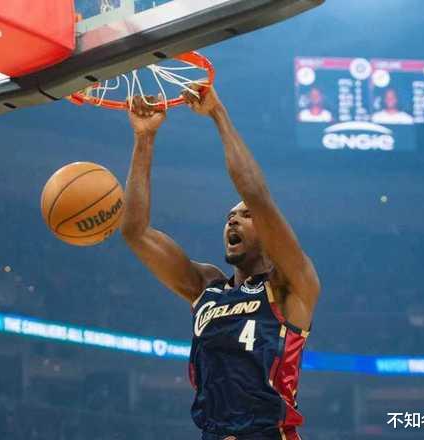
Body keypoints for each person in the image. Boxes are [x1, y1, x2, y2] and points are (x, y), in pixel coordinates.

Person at [120, 86, 321, 440]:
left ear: (270, 232)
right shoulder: (207, 287)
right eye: (229, 217)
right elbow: (135, 232)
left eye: (245, 216)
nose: (233, 220)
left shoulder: (290, 285)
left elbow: (255, 194)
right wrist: (144, 138)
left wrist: (217, 113)